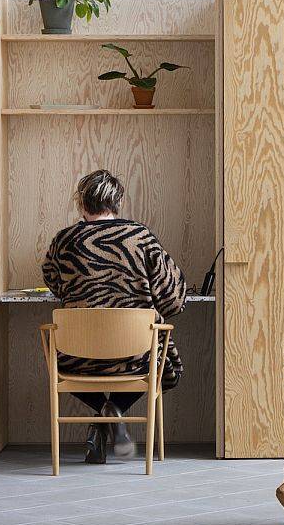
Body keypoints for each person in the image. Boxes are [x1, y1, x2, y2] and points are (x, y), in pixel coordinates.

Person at [42, 168, 186, 464]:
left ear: (81, 204)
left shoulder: (63, 240)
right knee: (160, 368)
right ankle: (116, 409)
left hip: (76, 358)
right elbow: (172, 298)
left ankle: (103, 416)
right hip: (136, 357)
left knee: (64, 367)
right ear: (117, 201)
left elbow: (54, 283)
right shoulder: (141, 237)